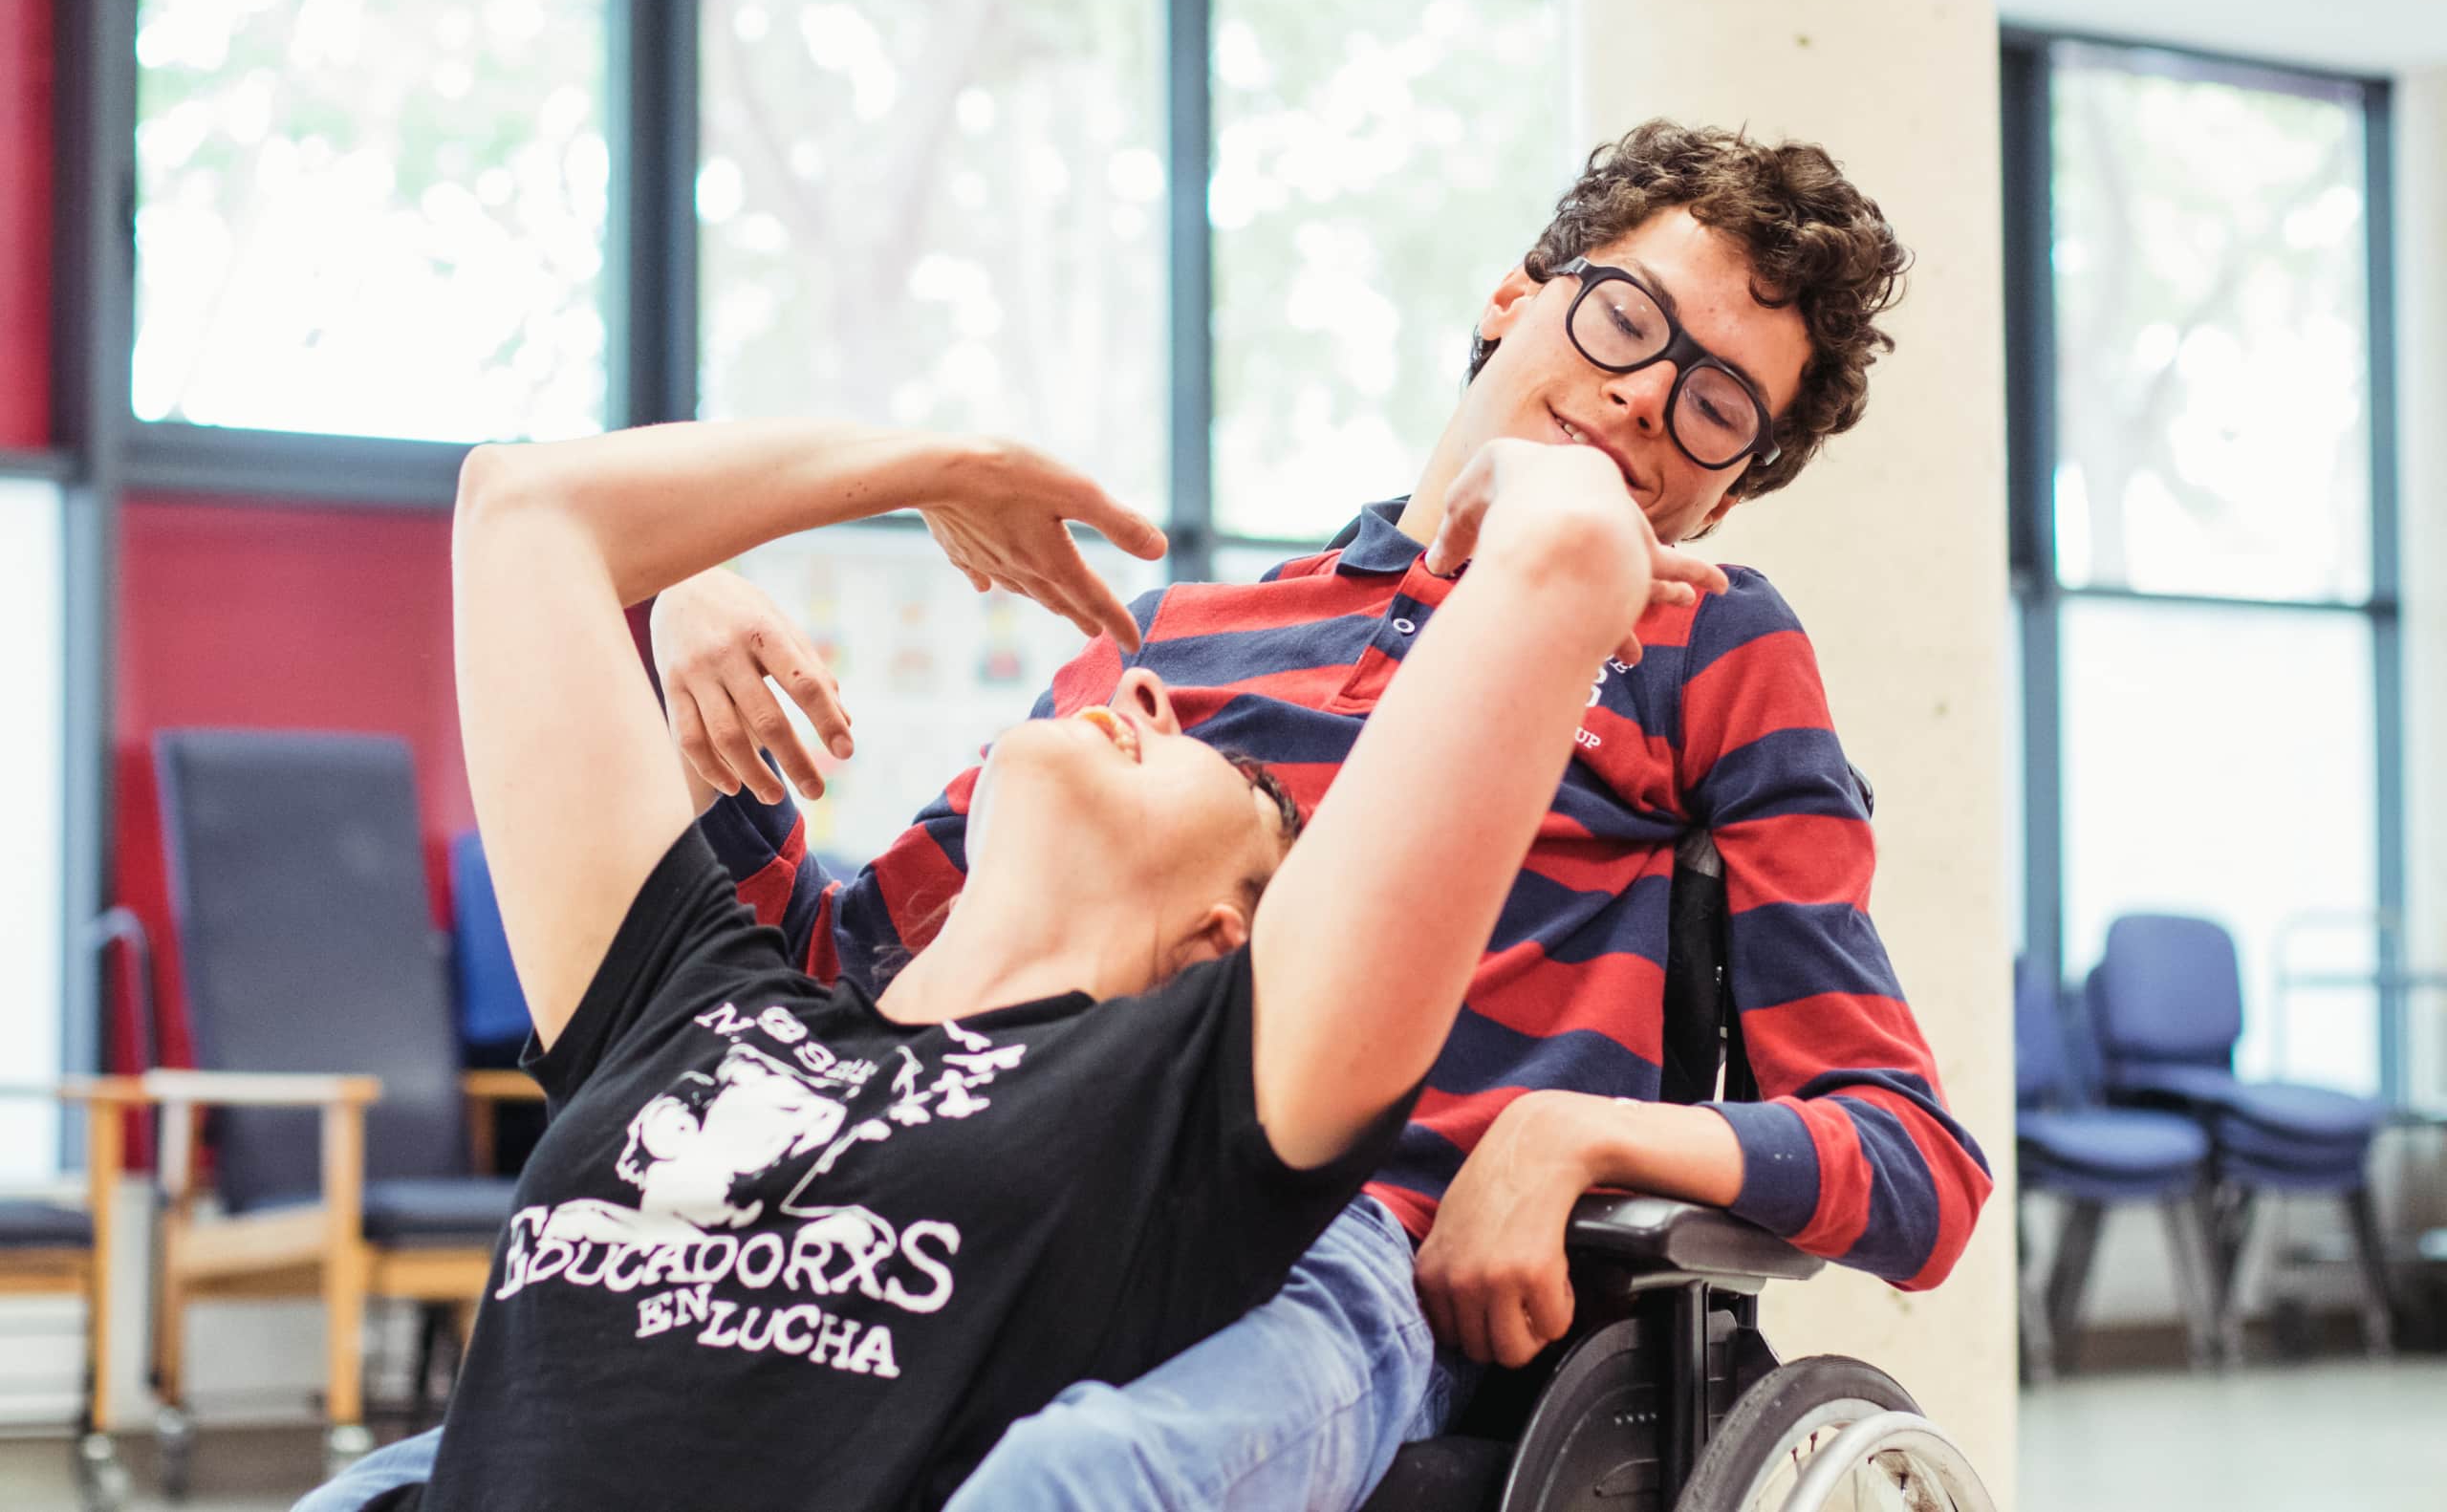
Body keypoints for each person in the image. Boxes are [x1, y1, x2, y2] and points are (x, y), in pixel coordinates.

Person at [306, 120, 1991, 1512]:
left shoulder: (1705, 644)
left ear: (1728, 481)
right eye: (1628, 322)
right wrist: (685, 654)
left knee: (1077, 1477)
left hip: (1330, 1233)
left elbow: (1912, 1160)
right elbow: (849, 971)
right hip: (995, 1172)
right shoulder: (1171, 659)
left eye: (1716, 407)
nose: (1645, 400)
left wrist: (1577, 1133)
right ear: (1514, 300)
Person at [370, 378, 1719, 1512]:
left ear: (1221, 938)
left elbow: (1567, 564)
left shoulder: (1192, 1106)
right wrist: (945, 460)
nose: (1141, 686)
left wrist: (1547, 470)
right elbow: (522, 508)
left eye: (1220, 763)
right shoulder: (693, 990)